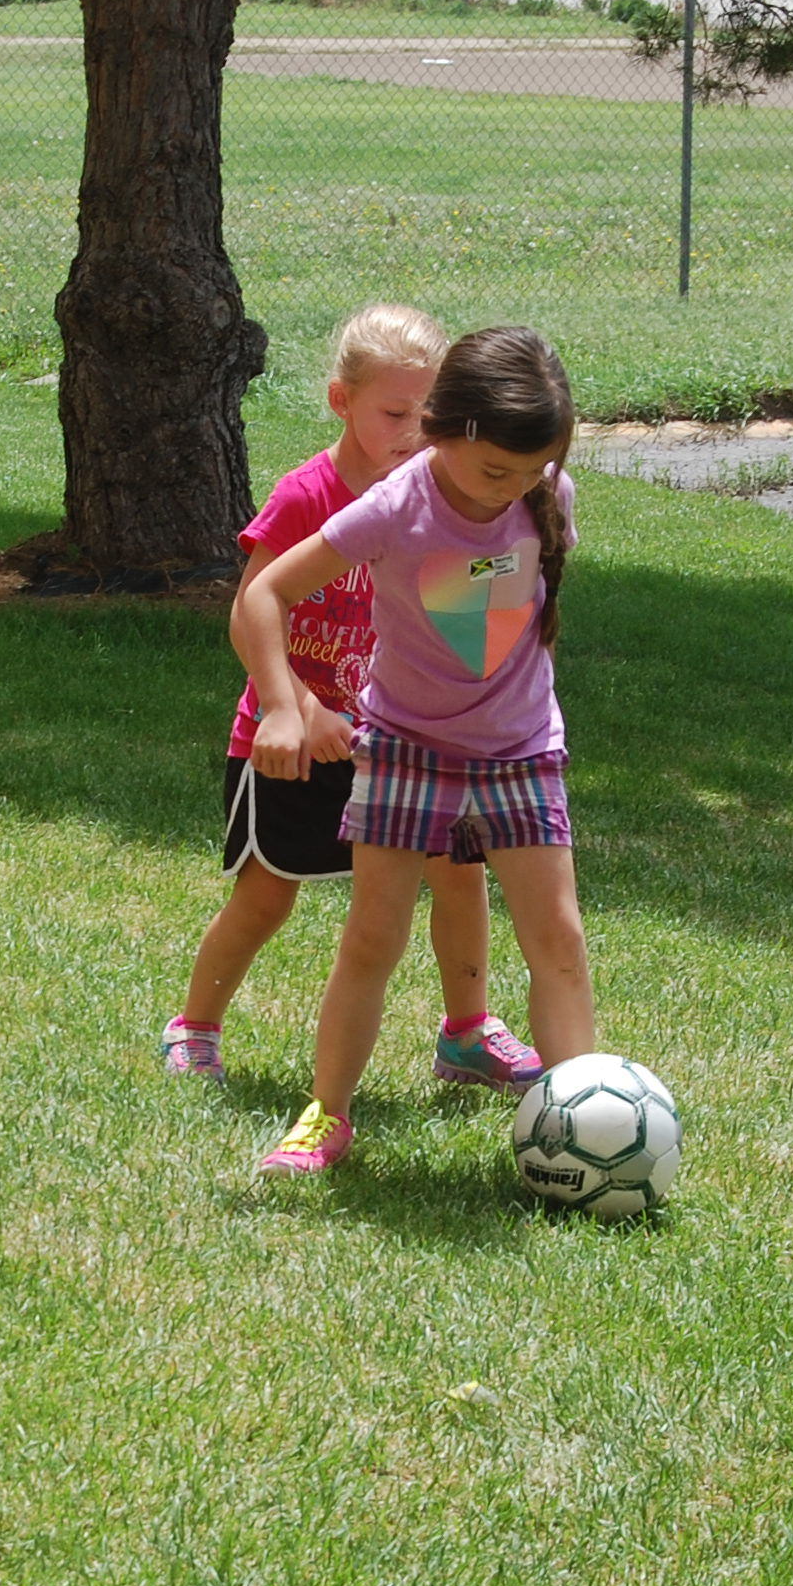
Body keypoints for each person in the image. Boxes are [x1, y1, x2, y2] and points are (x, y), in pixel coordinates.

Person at [234, 326, 594, 1176]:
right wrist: (284, 704)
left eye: (530, 470)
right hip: (404, 748)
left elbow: (502, 618)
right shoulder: (397, 505)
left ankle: (582, 1123)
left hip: (519, 749)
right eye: (495, 470)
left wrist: (525, 483)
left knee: (559, 939)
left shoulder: (547, 491)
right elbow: (266, 595)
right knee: (372, 937)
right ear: (444, 428)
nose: (512, 489)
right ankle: (327, 1115)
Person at [163, 304, 542, 1095]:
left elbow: (473, 618)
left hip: (403, 744)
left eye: (428, 414)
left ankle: (467, 1032)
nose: (412, 430)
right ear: (342, 401)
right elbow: (251, 608)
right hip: (295, 740)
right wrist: (291, 708)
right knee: (267, 897)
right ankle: (195, 1024)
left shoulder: (450, 497)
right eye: (394, 413)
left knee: (459, 876)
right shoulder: (308, 495)